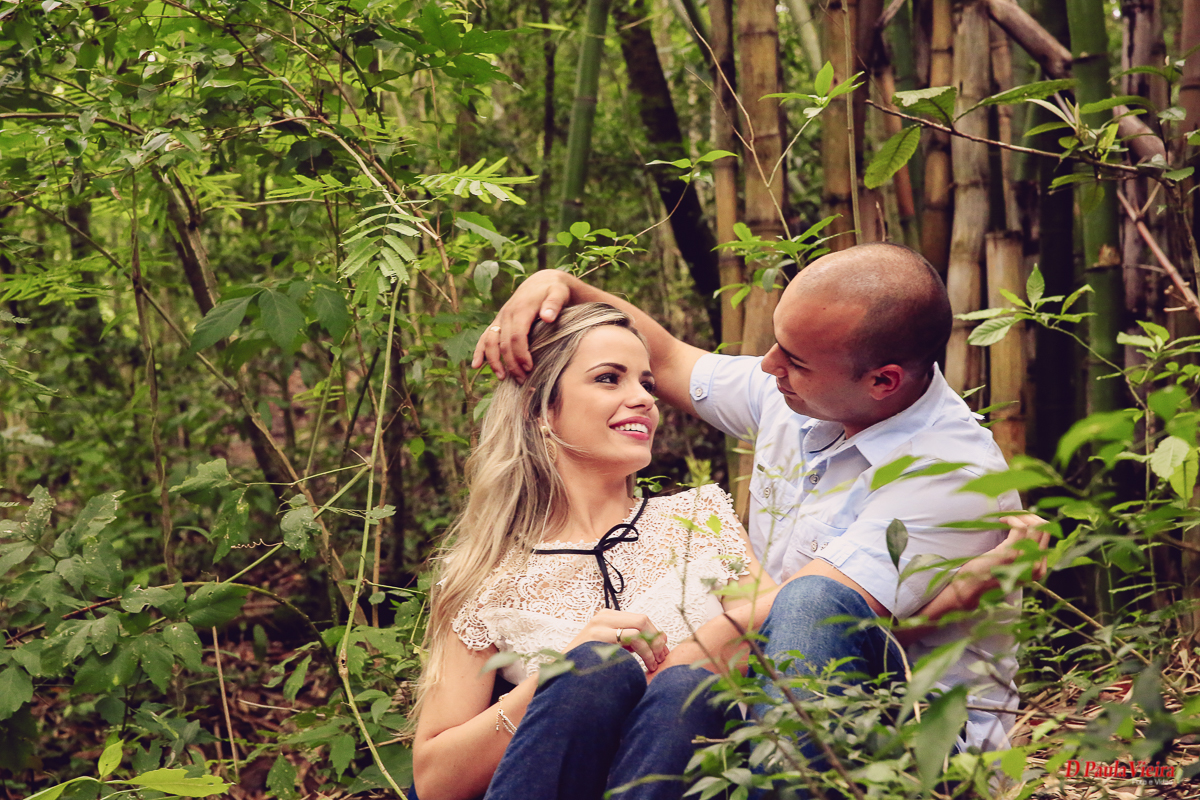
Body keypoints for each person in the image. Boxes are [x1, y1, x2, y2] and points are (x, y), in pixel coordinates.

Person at [474, 242, 1050, 763]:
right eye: (779, 344)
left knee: (803, 608)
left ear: (883, 381)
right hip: (776, 704)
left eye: (794, 359)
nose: (769, 365)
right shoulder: (800, 392)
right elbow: (670, 360)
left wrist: (595, 692)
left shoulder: (947, 475)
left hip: (918, 745)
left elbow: (806, 622)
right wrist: (562, 286)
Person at [412, 302, 777, 800]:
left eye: (647, 384)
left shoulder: (702, 518)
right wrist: (559, 679)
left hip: (700, 777)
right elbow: (434, 780)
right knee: (593, 668)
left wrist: (699, 647)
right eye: (610, 379)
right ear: (540, 411)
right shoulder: (483, 574)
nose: (643, 399)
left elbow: (781, 627)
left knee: (681, 687)